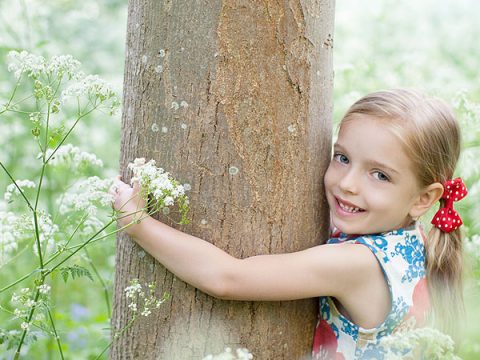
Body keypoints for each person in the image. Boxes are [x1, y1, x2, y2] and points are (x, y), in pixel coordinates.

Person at [111, 89, 467, 359]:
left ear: (424, 198)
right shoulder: (415, 239)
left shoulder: (357, 263)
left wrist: (139, 224)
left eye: (379, 175)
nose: (348, 183)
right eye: (342, 157)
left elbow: (227, 278)